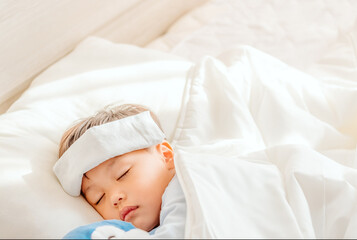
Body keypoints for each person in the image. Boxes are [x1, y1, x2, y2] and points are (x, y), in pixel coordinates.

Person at [54, 104, 186, 238]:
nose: (114, 198)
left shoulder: (186, 187)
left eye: (122, 174)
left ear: (166, 155)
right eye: (98, 198)